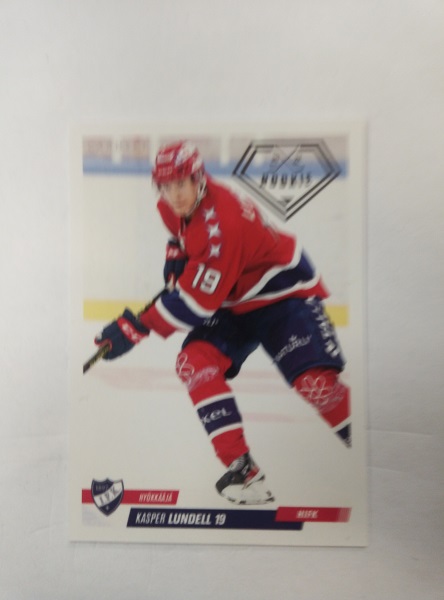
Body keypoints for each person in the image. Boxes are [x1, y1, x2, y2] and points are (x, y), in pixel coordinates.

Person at [94, 141, 351, 505]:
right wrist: (177, 255)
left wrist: (136, 328)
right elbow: (181, 237)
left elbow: (195, 305)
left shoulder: (223, 224)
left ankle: (367, 452)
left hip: (282, 294)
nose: (173, 195)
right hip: (231, 297)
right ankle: (243, 471)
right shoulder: (171, 206)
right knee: (194, 362)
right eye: (165, 186)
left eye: (180, 184)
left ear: (199, 178)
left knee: (317, 386)